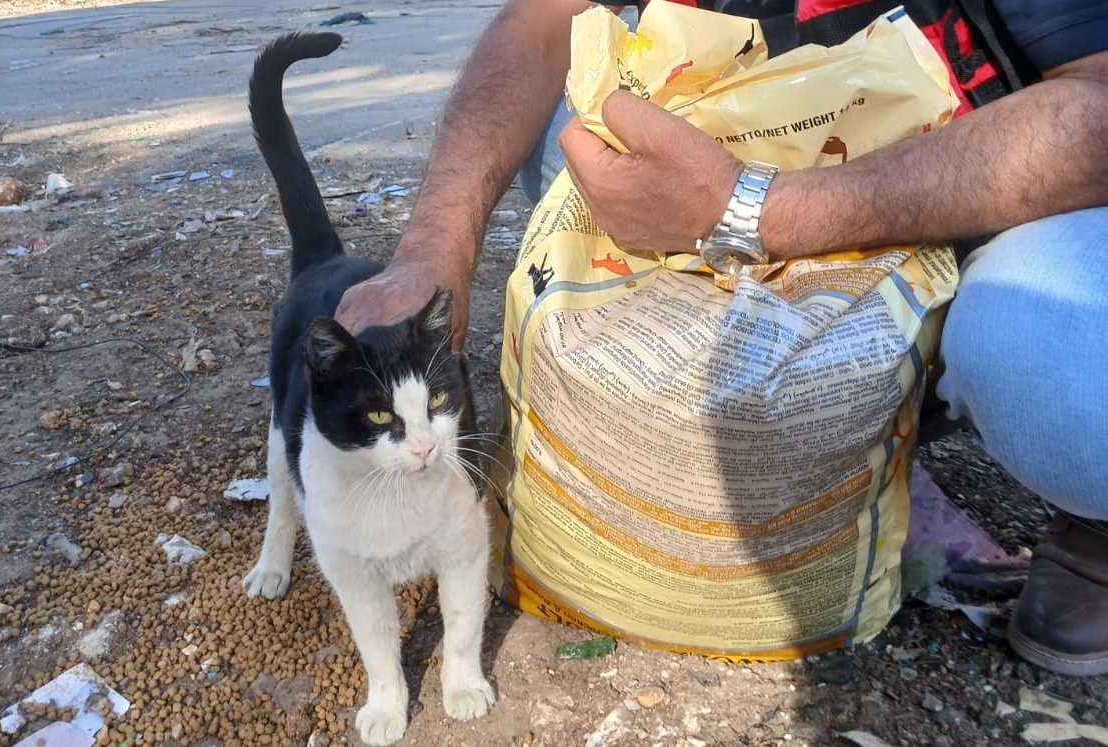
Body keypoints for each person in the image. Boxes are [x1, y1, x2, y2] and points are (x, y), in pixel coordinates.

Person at [334, 0, 1108, 676]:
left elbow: (1096, 106)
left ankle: (1091, 521)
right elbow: (542, 17)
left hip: (975, 196)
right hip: (751, 157)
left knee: (1053, 357)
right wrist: (434, 247)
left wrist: (753, 213)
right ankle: (848, 438)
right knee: (575, 117)